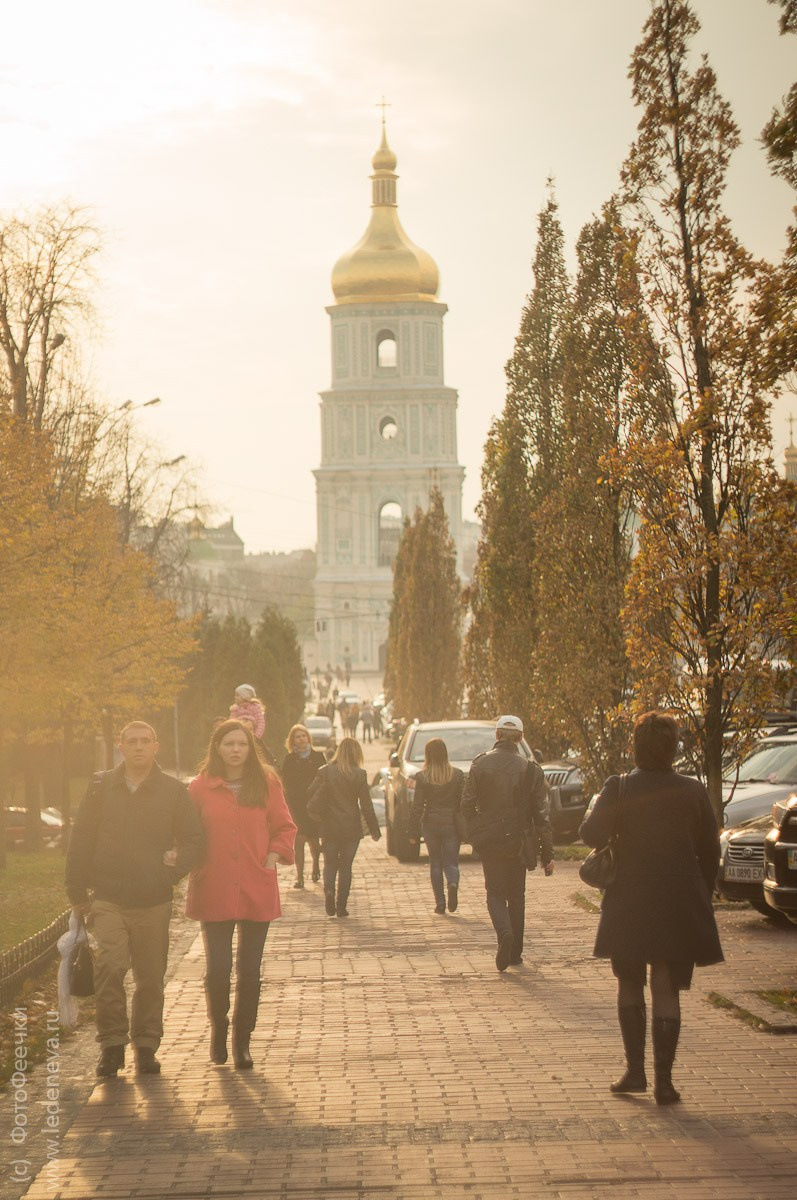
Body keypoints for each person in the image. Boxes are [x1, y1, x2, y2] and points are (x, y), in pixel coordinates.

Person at [579, 711, 723, 1106]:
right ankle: (665, 1082)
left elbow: (590, 833)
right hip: (679, 901)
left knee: (629, 981)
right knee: (666, 985)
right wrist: (702, 892)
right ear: (673, 748)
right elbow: (710, 850)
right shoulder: (693, 790)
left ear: (636, 746)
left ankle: (635, 1071)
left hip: (630, 899)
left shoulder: (620, 786)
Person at [65, 721, 204, 1078]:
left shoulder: (173, 791)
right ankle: (111, 1045)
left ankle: (145, 1045)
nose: (139, 747)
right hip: (108, 896)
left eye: (145, 741)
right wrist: (76, 891)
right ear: (121, 746)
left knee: (150, 977)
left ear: (156, 746)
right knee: (110, 966)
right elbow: (80, 839)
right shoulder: (100, 788)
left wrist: (171, 873)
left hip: (154, 899)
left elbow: (193, 840)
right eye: (132, 741)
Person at [186, 719, 296, 1069]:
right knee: (218, 968)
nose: (235, 750)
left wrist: (273, 855)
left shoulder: (266, 782)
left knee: (250, 969)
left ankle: (242, 1042)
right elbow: (187, 833)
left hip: (255, 883)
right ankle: (219, 1030)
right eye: (228, 744)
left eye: (242, 744)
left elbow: (284, 826)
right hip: (214, 884)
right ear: (217, 748)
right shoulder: (200, 787)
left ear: (251, 748)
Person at [462, 715, 554, 972]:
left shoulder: (479, 764)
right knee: (517, 895)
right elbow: (541, 814)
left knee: (494, 893)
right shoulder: (531, 769)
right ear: (521, 738)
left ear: (497, 735)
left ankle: (504, 934)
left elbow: (466, 804)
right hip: (519, 840)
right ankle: (515, 953)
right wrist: (547, 854)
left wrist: (477, 829)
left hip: (491, 840)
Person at [307, 737, 381, 917]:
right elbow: (366, 805)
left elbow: (310, 792)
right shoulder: (359, 774)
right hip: (351, 827)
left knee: (330, 864)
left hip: (329, 826)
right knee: (346, 867)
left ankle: (329, 892)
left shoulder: (325, 771)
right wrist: (374, 830)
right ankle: (341, 907)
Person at [409, 738, 464, 914]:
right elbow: (462, 802)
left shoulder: (423, 777)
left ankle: (440, 903)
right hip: (451, 825)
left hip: (430, 824)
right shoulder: (456, 775)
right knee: (451, 862)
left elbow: (417, 806)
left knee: (435, 863)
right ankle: (453, 883)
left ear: (428, 755)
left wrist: (412, 830)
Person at [281, 723, 325, 889]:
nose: (301, 739)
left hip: (315, 806)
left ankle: (315, 865)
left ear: (308, 738)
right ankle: (299, 876)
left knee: (314, 841)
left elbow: (325, 782)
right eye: (297, 737)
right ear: (292, 740)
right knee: (298, 842)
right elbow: (284, 782)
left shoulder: (318, 757)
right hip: (297, 806)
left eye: (303, 736)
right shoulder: (290, 759)